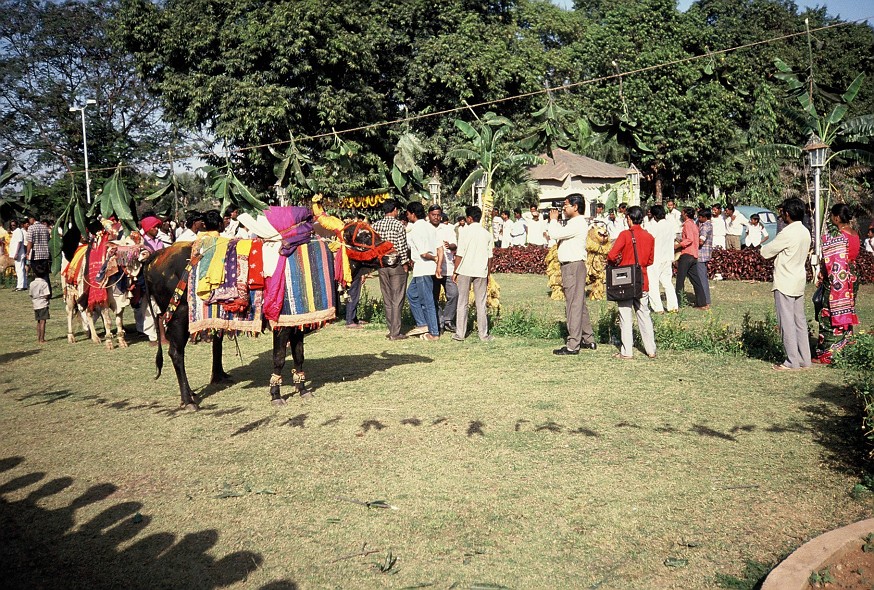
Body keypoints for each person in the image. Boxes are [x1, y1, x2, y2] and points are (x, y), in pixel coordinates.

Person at [760, 198, 812, 371]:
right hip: (798, 279)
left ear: (787, 214)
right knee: (799, 321)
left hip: (784, 281)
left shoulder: (788, 232)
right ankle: (805, 359)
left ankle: (791, 361)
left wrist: (761, 245)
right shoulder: (805, 231)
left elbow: (766, 252)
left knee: (787, 321)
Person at [547, 194, 597, 355]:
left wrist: (553, 219)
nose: (563, 208)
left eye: (566, 205)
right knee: (579, 303)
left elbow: (554, 234)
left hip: (572, 265)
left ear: (575, 207)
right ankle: (588, 339)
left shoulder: (577, 223)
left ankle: (573, 344)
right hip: (574, 265)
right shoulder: (576, 223)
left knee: (573, 305)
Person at [606, 205, 656, 359]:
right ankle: (651, 350)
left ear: (629, 218)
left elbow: (612, 255)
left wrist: (620, 261)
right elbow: (649, 260)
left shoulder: (625, 235)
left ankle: (627, 351)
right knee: (644, 314)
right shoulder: (649, 237)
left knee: (625, 315)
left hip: (625, 281)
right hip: (642, 281)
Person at [813, 203, 861, 364]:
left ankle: (828, 352)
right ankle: (845, 347)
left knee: (828, 311)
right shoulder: (854, 234)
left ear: (837, 217)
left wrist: (822, 274)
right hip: (852, 276)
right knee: (846, 309)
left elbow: (832, 263)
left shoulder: (838, 237)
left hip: (837, 278)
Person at [452, 206, 495, 342]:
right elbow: (490, 257)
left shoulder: (464, 232)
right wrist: (488, 274)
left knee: (462, 302)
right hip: (481, 271)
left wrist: (455, 271)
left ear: (469, 218)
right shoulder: (487, 234)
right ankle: (483, 334)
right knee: (481, 303)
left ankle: (460, 333)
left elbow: (459, 254)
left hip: (465, 270)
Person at [373, 199, 411, 341]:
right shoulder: (398, 225)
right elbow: (402, 247)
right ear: (395, 209)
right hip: (396, 265)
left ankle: (391, 329)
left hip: (382, 265)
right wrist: (405, 263)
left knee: (387, 298)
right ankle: (396, 332)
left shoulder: (376, 225)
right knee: (398, 298)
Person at [405, 201, 442, 341]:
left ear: (413, 214)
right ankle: (422, 324)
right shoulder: (431, 227)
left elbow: (423, 253)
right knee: (412, 294)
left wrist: (434, 258)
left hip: (423, 268)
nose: (407, 216)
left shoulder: (416, 229)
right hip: (425, 269)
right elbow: (439, 247)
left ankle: (434, 332)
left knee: (427, 301)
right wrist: (437, 263)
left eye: (408, 214)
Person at [644, 205, 679, 313]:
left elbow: (648, 239)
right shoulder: (670, 225)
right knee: (667, 283)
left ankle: (658, 308)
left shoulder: (655, 227)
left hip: (655, 258)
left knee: (653, 284)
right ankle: (673, 306)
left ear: (654, 216)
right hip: (667, 257)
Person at [429, 204, 459, 332]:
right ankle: (439, 321)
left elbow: (455, 245)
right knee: (433, 296)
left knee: (454, 294)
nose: (436, 217)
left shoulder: (447, 229)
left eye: (438, 215)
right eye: (433, 215)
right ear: (429, 215)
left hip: (447, 268)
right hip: (431, 268)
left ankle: (447, 319)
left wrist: (450, 246)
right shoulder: (425, 229)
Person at [674, 207, 706, 308]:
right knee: (696, 280)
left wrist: (678, 246)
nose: (681, 215)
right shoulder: (694, 224)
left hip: (687, 254)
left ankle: (679, 302)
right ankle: (702, 302)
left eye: (682, 213)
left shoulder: (687, 224)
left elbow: (689, 239)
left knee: (680, 280)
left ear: (686, 214)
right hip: (693, 255)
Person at [29, 260, 51, 344]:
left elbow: (30, 294)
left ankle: (38, 338)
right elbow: (46, 295)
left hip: (35, 304)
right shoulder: (44, 283)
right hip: (42, 304)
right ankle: (42, 339)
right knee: (43, 322)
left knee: (38, 322)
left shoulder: (32, 283)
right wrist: (47, 298)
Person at [696, 208, 713, 308]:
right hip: (703, 254)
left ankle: (705, 301)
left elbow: (701, 241)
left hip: (701, 255)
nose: (698, 218)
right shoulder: (704, 224)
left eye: (700, 217)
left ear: (705, 218)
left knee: (702, 278)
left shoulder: (706, 226)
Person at [9, 218, 29, 291]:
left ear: (17, 225)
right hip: (17, 254)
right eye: (11, 225)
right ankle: (24, 285)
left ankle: (20, 286)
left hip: (19, 254)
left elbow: (19, 242)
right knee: (21, 269)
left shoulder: (18, 231)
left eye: (14, 225)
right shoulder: (15, 232)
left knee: (19, 269)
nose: (13, 226)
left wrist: (16, 253)